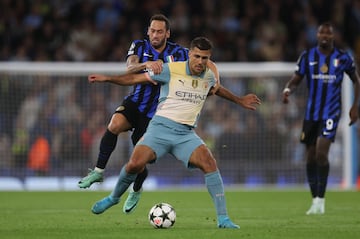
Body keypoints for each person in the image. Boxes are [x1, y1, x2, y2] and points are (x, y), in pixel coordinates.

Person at [87, 37, 261, 228]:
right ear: (189, 54)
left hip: (185, 134)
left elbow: (217, 90)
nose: (200, 62)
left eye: (205, 58)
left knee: (210, 163)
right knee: (134, 164)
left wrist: (239, 100)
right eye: (197, 56)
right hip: (159, 129)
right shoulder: (171, 70)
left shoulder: (209, 77)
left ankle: (223, 219)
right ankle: (114, 198)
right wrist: (108, 78)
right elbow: (134, 78)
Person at [78, 14, 220, 214]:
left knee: (139, 160)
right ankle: (99, 171)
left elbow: (207, 61)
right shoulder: (138, 46)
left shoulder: (178, 52)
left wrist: (217, 80)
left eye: (159, 31)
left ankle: (136, 189)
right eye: (152, 30)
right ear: (148, 31)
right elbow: (130, 67)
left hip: (157, 114)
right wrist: (147, 64)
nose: (155, 34)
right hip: (136, 102)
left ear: (167, 33)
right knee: (115, 125)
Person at [282, 22, 360, 215]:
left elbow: (356, 80)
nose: (325, 35)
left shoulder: (343, 58)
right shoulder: (308, 57)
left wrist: (355, 106)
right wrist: (287, 90)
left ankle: (321, 199)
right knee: (310, 158)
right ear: (317, 35)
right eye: (321, 32)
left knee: (321, 153)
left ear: (333, 36)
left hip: (331, 113)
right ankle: (315, 199)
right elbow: (296, 79)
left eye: (328, 33)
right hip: (311, 115)